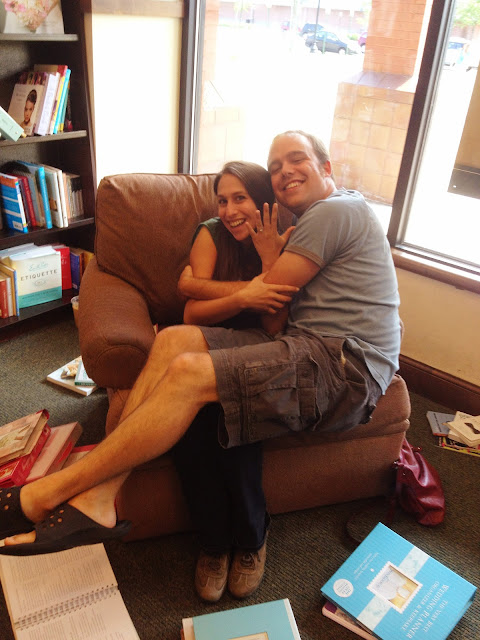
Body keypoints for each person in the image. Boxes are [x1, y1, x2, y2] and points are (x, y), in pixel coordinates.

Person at [0, 131, 401, 582]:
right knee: (174, 340)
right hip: (305, 346)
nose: (285, 171)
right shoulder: (290, 224)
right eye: (276, 166)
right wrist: (219, 284)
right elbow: (255, 310)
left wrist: (227, 272)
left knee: (188, 373)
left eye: (297, 159)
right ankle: (98, 498)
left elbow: (269, 294)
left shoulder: (333, 212)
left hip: (346, 367)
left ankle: (49, 492)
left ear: (326, 167)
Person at [173, 161, 295, 601]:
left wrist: (270, 261)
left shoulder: (285, 241)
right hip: (205, 341)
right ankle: (213, 543)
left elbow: (275, 326)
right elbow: (191, 313)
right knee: (194, 426)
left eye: (240, 198)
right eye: (222, 200)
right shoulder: (211, 233)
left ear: (263, 200)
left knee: (237, 421)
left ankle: (250, 538)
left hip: (255, 349)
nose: (228, 210)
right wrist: (245, 294)